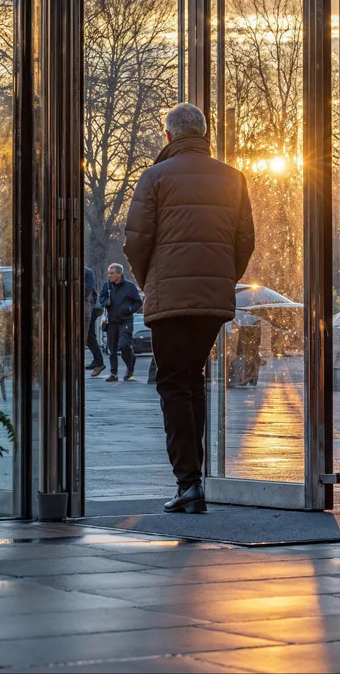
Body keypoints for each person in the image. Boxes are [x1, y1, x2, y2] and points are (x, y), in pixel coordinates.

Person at [124, 102, 254, 515]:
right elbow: (245, 240)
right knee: (192, 379)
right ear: (204, 134)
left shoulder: (155, 177)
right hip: (212, 301)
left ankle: (188, 482)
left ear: (168, 137)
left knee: (174, 383)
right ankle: (192, 480)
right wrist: (223, 279)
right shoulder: (233, 178)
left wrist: (150, 283)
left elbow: (136, 241)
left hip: (170, 300)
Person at [97, 263, 142, 382]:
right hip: (111, 321)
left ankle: (130, 365)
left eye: (111, 273)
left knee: (123, 345)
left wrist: (130, 309)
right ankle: (114, 373)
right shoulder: (107, 286)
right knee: (112, 348)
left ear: (119, 274)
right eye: (108, 273)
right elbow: (101, 298)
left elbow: (138, 302)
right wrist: (105, 302)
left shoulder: (130, 286)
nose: (109, 275)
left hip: (125, 321)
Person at [85, 266, 105, 377]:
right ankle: (98, 362)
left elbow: (87, 291)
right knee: (90, 336)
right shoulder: (87, 272)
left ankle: (99, 362)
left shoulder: (88, 272)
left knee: (89, 336)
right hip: (88, 309)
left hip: (89, 310)